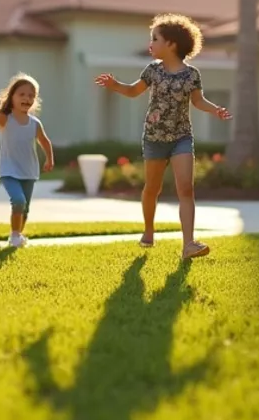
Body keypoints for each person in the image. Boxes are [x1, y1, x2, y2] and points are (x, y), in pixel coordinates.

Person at [95, 13, 230, 260]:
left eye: (155, 38)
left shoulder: (192, 75)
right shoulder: (152, 71)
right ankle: (149, 230)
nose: (151, 43)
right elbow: (134, 91)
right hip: (154, 137)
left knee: (186, 189)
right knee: (152, 188)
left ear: (171, 44)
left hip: (181, 137)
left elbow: (198, 101)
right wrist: (115, 85)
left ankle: (188, 244)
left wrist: (216, 110)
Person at [0, 74, 55, 248]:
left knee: (25, 208)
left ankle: (18, 235)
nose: (27, 98)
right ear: (12, 97)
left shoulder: (35, 123)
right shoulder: (6, 119)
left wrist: (49, 159)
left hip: (29, 171)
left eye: (31, 95)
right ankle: (14, 236)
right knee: (18, 200)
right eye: (22, 94)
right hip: (9, 170)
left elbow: (45, 141)